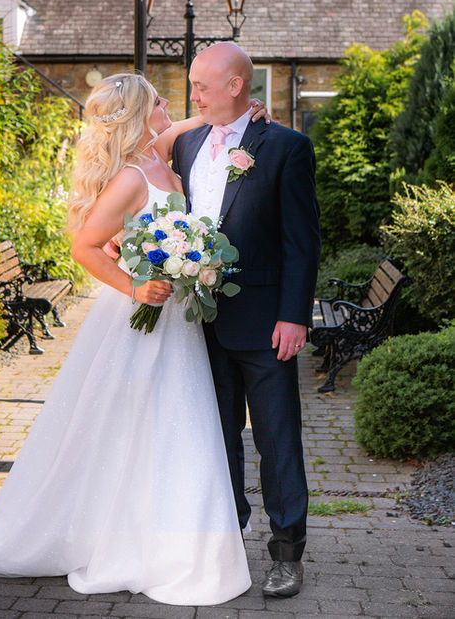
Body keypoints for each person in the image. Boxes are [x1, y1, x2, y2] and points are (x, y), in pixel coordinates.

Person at [0, 72, 270, 606]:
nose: (169, 106)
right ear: (141, 113)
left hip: (179, 319)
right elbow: (86, 245)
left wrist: (244, 112)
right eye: (159, 101)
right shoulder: (133, 177)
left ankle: (174, 533)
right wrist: (135, 286)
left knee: (169, 420)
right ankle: (129, 537)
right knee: (135, 418)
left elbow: (201, 120)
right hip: (144, 314)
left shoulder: (162, 153)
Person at [172, 43, 321, 599]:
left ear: (237, 86)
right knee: (218, 438)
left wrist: (293, 316)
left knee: (277, 442)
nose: (194, 94)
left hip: (264, 325)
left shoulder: (285, 147)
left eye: (202, 86)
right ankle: (230, 535)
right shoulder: (186, 143)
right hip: (195, 325)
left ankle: (287, 555)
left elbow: (301, 242)